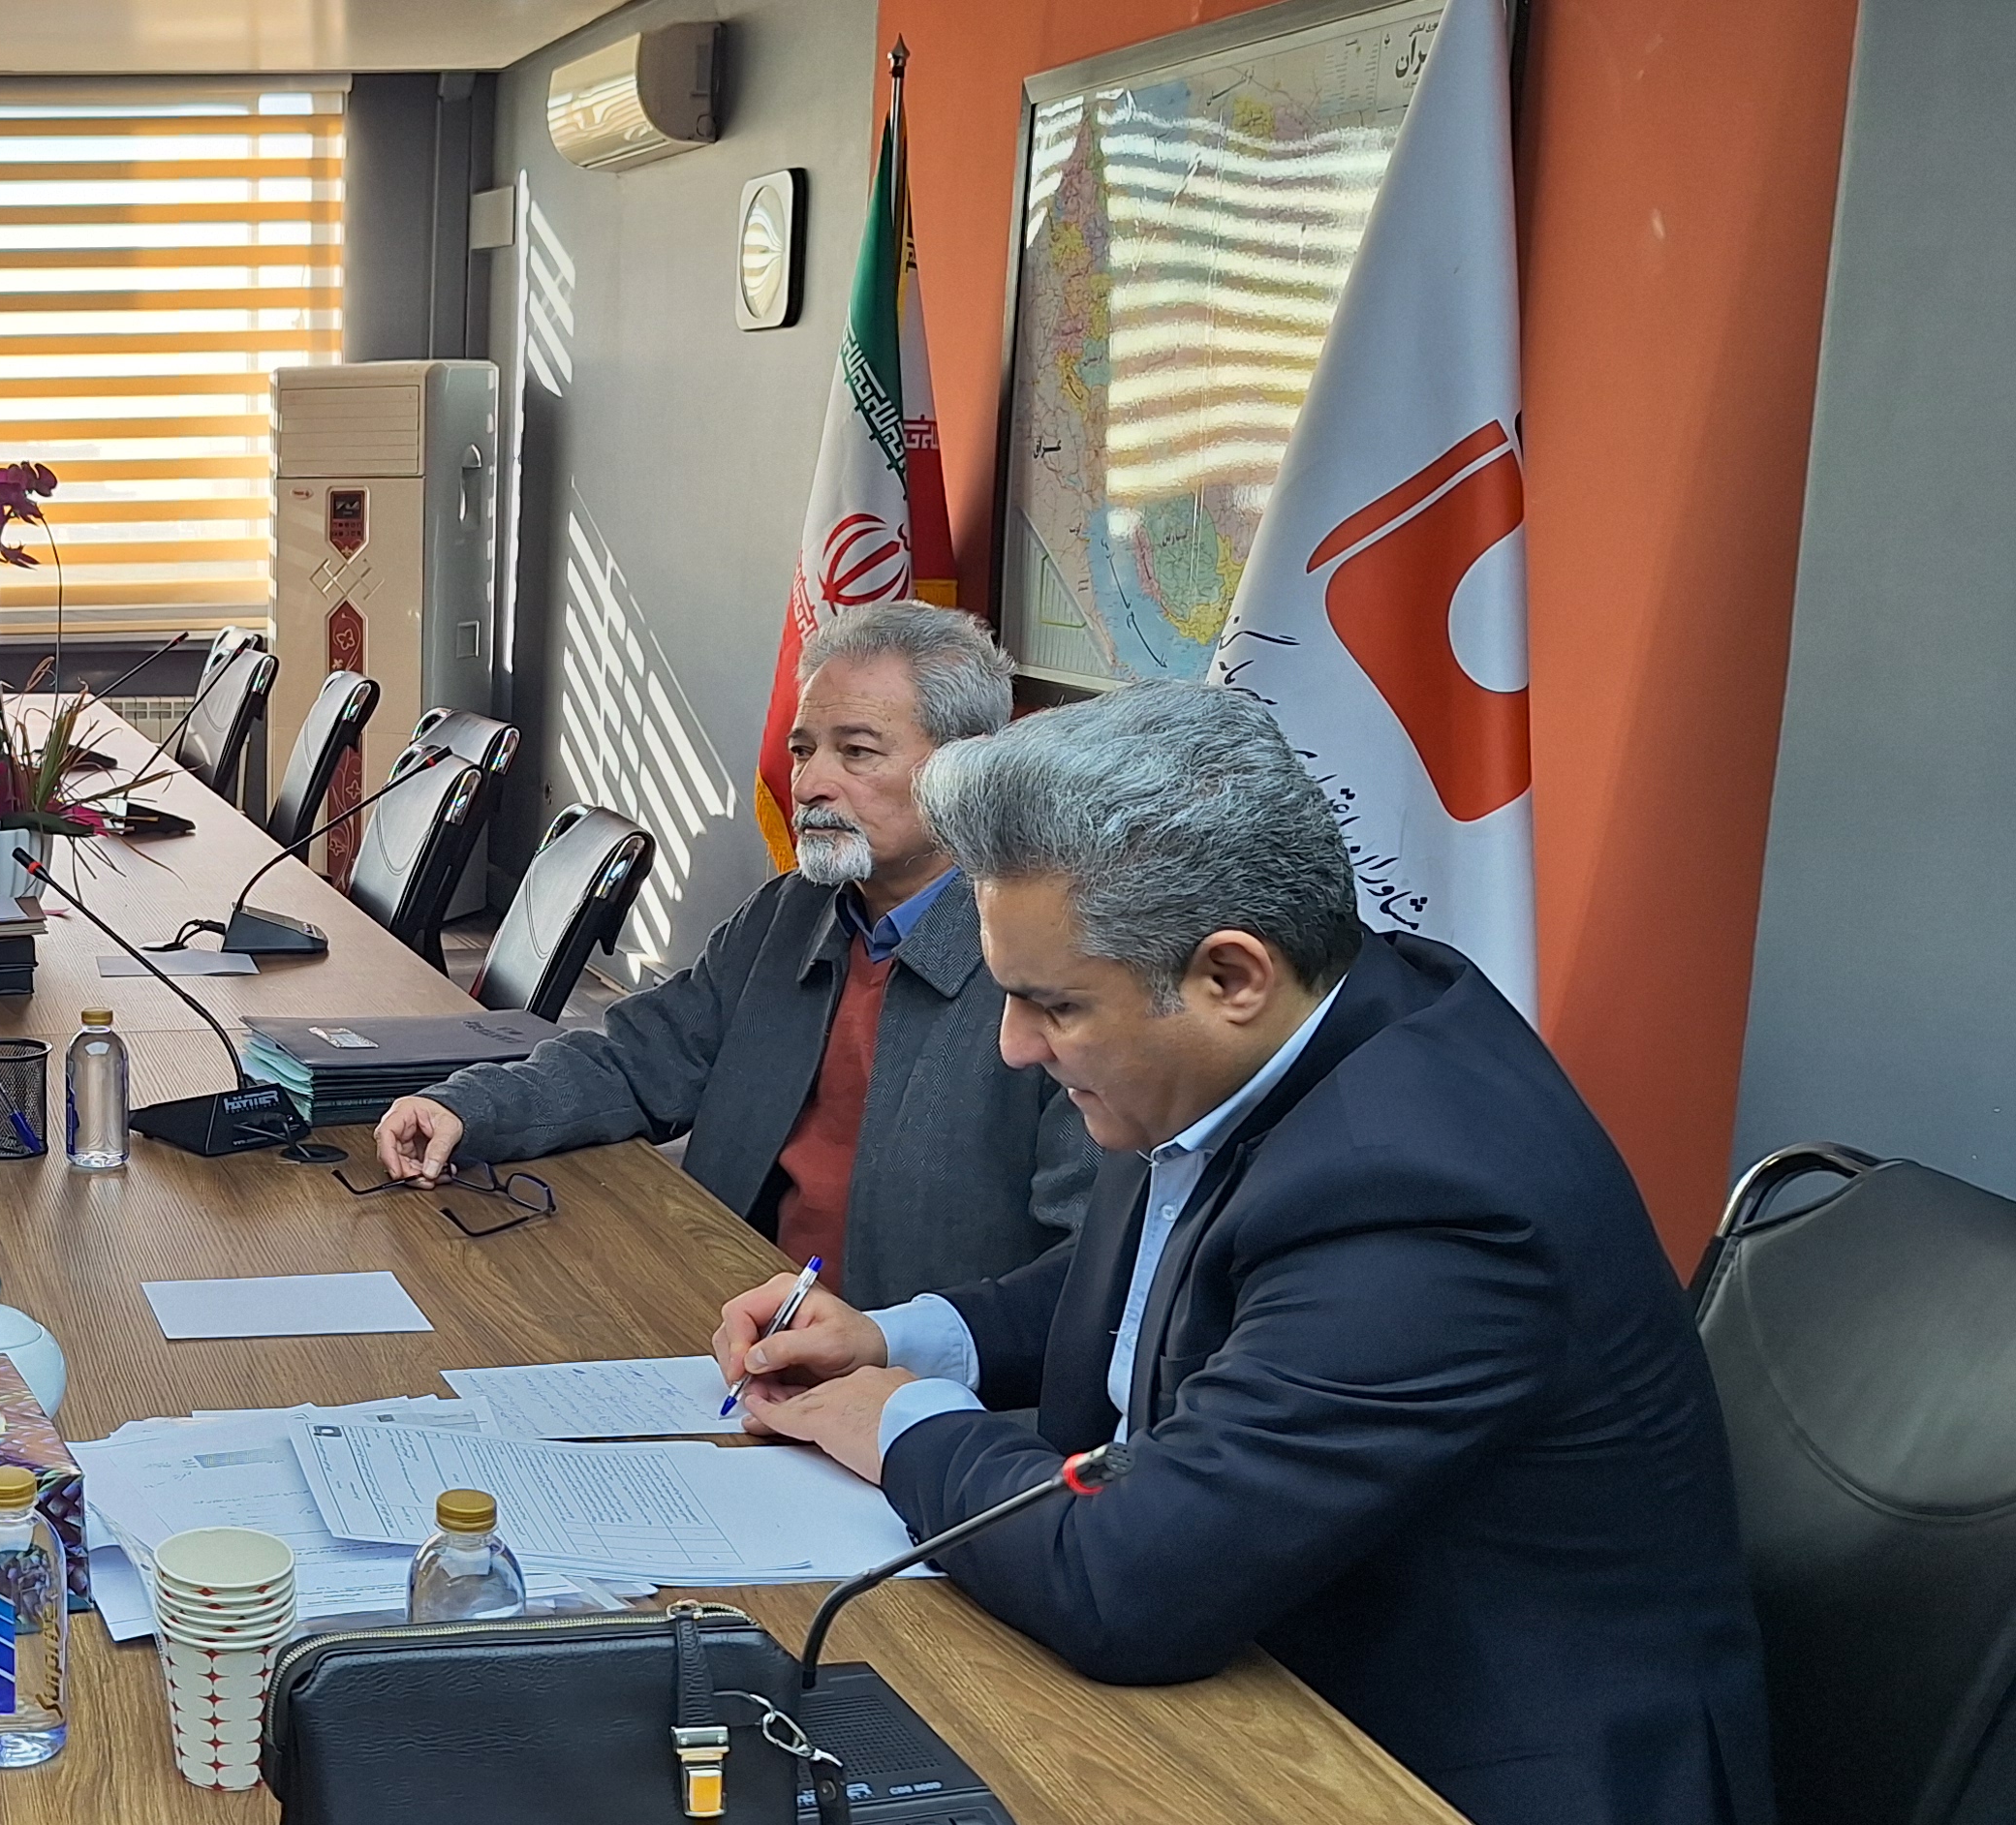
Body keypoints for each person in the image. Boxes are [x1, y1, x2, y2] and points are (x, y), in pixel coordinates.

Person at [711, 681, 1770, 1825]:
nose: (1015, 1047)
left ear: (1230, 976)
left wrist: (898, 1422)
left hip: (1442, 1767)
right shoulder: (1281, 1027)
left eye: (1050, 1006)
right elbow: (1160, 1274)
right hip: (1274, 1676)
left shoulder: (1422, 1195)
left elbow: (1128, 1583)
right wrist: (896, 1338)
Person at [376, 603, 1094, 1306]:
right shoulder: (791, 911)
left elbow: (1085, 1268)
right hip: (721, 1303)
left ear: (969, 770)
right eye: (803, 750)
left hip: (899, 1362)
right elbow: (638, 1061)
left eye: (857, 751)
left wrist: (913, 1352)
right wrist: (467, 1107)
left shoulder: (1058, 968)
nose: (808, 785)